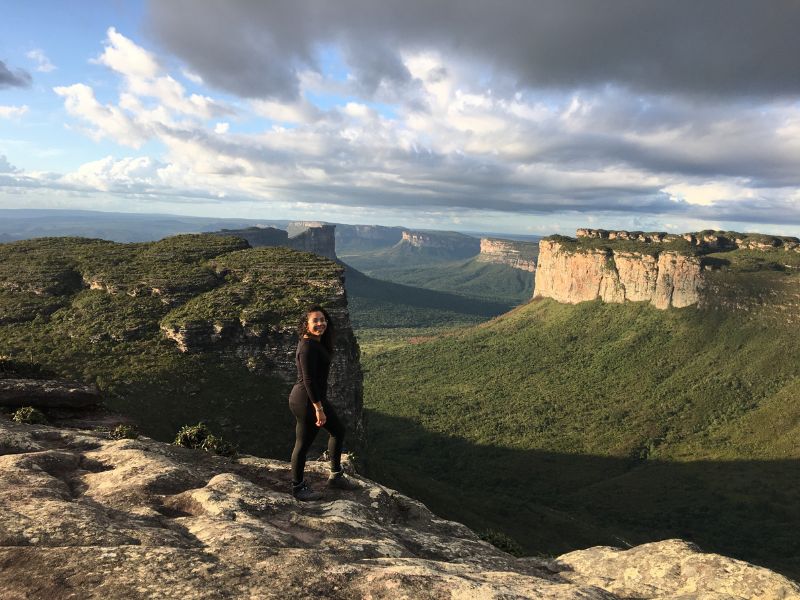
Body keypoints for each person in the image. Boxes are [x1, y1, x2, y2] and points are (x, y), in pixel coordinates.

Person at [289, 304, 357, 500]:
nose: (320, 323)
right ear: (305, 324)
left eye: (323, 319)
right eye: (315, 321)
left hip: (309, 398)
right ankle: (299, 487)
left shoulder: (314, 342)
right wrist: (318, 408)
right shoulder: (307, 347)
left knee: (337, 431)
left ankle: (335, 476)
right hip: (308, 400)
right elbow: (309, 380)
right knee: (303, 443)